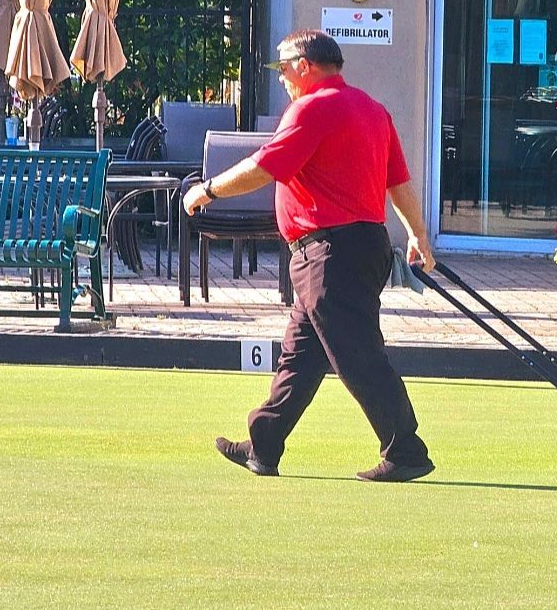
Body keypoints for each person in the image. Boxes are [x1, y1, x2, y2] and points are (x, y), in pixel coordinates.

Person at [182, 29, 436, 483]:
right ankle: (263, 444)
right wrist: (417, 234)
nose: (281, 78)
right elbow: (398, 182)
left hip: (329, 253)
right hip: (355, 247)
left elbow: (264, 166)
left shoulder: (312, 108)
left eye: (283, 68)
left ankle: (406, 451)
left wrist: (208, 190)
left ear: (305, 65)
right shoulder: (372, 109)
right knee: (300, 355)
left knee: (357, 354)